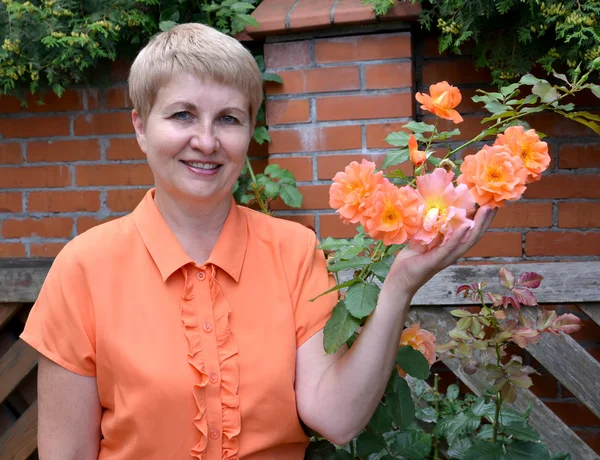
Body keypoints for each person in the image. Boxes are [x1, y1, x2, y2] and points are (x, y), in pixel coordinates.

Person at [20, 23, 495, 460]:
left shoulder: (292, 250)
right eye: (182, 115)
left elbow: (336, 417)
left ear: (249, 132)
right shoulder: (83, 268)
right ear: (141, 127)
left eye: (228, 119)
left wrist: (399, 285)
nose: (206, 141)